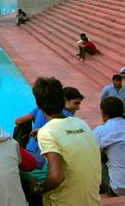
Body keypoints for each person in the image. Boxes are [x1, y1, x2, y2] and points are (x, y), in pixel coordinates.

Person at [30, 77, 101, 205]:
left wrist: (39, 188)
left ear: (38, 105)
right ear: (63, 101)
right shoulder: (81, 124)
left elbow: (56, 177)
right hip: (92, 200)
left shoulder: (48, 132)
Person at [93, 97, 125, 196]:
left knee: (96, 157)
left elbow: (90, 154)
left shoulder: (101, 131)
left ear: (103, 113)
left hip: (119, 188)